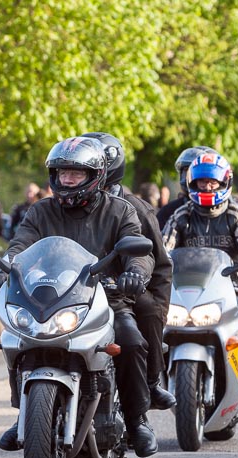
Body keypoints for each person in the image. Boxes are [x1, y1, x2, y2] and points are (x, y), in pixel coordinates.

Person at [0, 136, 159, 457]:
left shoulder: (120, 211)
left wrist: (136, 272)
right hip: (51, 299)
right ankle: (25, 412)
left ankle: (136, 421)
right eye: (62, 173)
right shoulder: (40, 211)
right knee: (16, 340)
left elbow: (138, 250)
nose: (67, 179)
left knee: (131, 341)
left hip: (106, 298)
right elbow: (20, 245)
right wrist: (5, 268)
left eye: (75, 174)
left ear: (96, 176)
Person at [162, 153, 238, 402]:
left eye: (212, 182)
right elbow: (164, 251)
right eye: (202, 182)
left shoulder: (236, 215)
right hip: (187, 290)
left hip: (232, 289)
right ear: (192, 183)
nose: (207, 186)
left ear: (224, 183)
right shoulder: (181, 216)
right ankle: (152, 382)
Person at [81, 131, 175, 410]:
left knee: (148, 312)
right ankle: (27, 412)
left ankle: (151, 382)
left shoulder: (135, 208)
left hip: (130, 287)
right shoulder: (67, 206)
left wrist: (138, 278)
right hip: (77, 289)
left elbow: (154, 258)